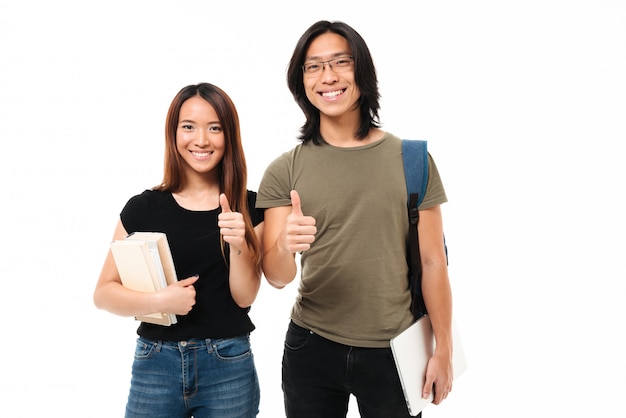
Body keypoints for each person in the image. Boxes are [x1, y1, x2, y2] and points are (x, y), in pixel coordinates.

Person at [256, 20, 454, 417]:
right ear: (301, 82)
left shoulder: (412, 160)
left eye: (340, 62)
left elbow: (434, 262)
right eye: (313, 66)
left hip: (395, 352)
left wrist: (443, 349)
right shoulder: (284, 170)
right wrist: (283, 244)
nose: (327, 76)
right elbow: (277, 276)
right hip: (310, 348)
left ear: (362, 71)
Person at [94, 82, 264, 418]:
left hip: (227, 364)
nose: (201, 140)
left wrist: (239, 244)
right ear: (173, 134)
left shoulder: (250, 206)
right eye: (189, 127)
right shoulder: (143, 208)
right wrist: (159, 302)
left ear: (229, 136)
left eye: (214, 128)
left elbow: (244, 298)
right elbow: (103, 293)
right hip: (155, 363)